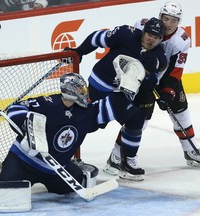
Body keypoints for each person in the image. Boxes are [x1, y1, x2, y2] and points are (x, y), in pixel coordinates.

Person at [105, 1, 200, 181]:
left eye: (173, 21)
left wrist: (168, 91)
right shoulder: (144, 26)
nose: (169, 24)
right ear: (160, 16)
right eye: (166, 18)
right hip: (142, 78)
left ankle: (190, 152)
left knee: (182, 114)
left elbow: (177, 69)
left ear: (179, 22)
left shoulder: (181, 40)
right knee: (140, 121)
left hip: (168, 78)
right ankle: (115, 157)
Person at [0, 71, 147, 195]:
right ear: (70, 91)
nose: (84, 93)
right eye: (81, 90)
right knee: (4, 193)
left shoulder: (87, 112)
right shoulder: (47, 103)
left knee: (73, 186)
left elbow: (111, 106)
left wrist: (126, 89)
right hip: (23, 162)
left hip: (56, 169)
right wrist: (27, 123)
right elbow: (15, 108)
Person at [65, 17, 167, 180]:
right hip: (100, 86)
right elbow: (97, 38)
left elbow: (149, 85)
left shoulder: (158, 55)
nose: (151, 40)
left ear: (161, 39)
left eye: (156, 37)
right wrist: (79, 51)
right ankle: (63, 154)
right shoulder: (126, 34)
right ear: (143, 32)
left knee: (136, 119)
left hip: (121, 95)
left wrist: (148, 73)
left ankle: (127, 162)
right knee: (89, 124)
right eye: (149, 34)